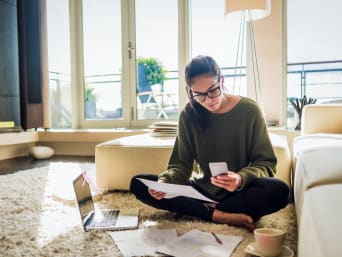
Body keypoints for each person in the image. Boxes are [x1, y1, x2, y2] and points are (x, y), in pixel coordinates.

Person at [130, 55, 289, 231]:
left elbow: (266, 163)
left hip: (237, 193)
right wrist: (164, 182)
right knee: (138, 183)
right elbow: (181, 166)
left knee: (279, 190)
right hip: (199, 191)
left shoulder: (250, 110)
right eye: (199, 95)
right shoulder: (188, 115)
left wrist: (240, 178)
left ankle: (194, 210)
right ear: (190, 91)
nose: (208, 100)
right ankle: (218, 215)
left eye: (213, 90)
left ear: (221, 80)